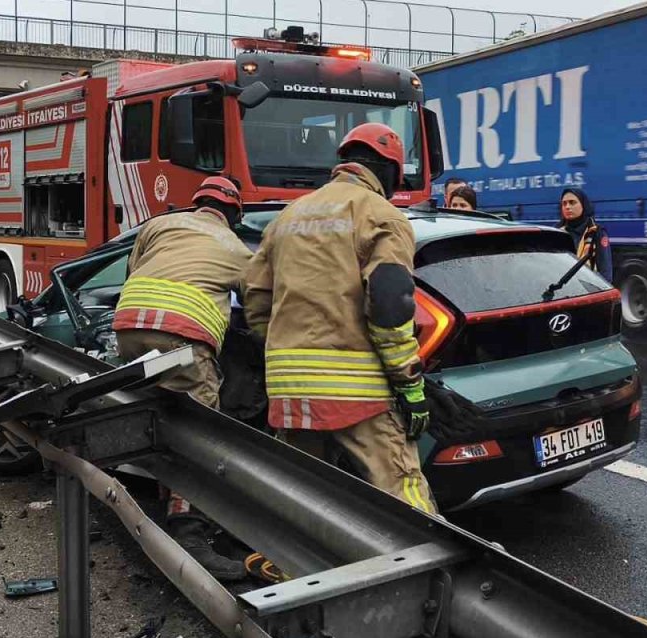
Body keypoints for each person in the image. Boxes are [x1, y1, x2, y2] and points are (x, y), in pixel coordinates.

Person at [244, 122, 438, 514]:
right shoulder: (382, 215)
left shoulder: (287, 217)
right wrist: (410, 385)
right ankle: (427, 567)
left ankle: (286, 565)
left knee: (299, 494)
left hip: (290, 386)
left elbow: (255, 296)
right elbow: (390, 306)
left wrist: (286, 349)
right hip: (358, 388)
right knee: (403, 490)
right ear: (388, 171)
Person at [111, 175, 254, 580]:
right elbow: (260, 305)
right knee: (199, 434)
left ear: (196, 203)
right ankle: (187, 532)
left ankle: (153, 496)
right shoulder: (235, 248)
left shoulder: (159, 225)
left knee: (155, 414)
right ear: (233, 215)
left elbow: (134, 270)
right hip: (183, 344)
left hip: (129, 328)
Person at [558, 188, 613, 281]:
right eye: (564, 203)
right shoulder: (557, 232)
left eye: (572, 202)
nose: (567, 207)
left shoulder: (596, 232)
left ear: (583, 205)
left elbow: (605, 271)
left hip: (589, 290)